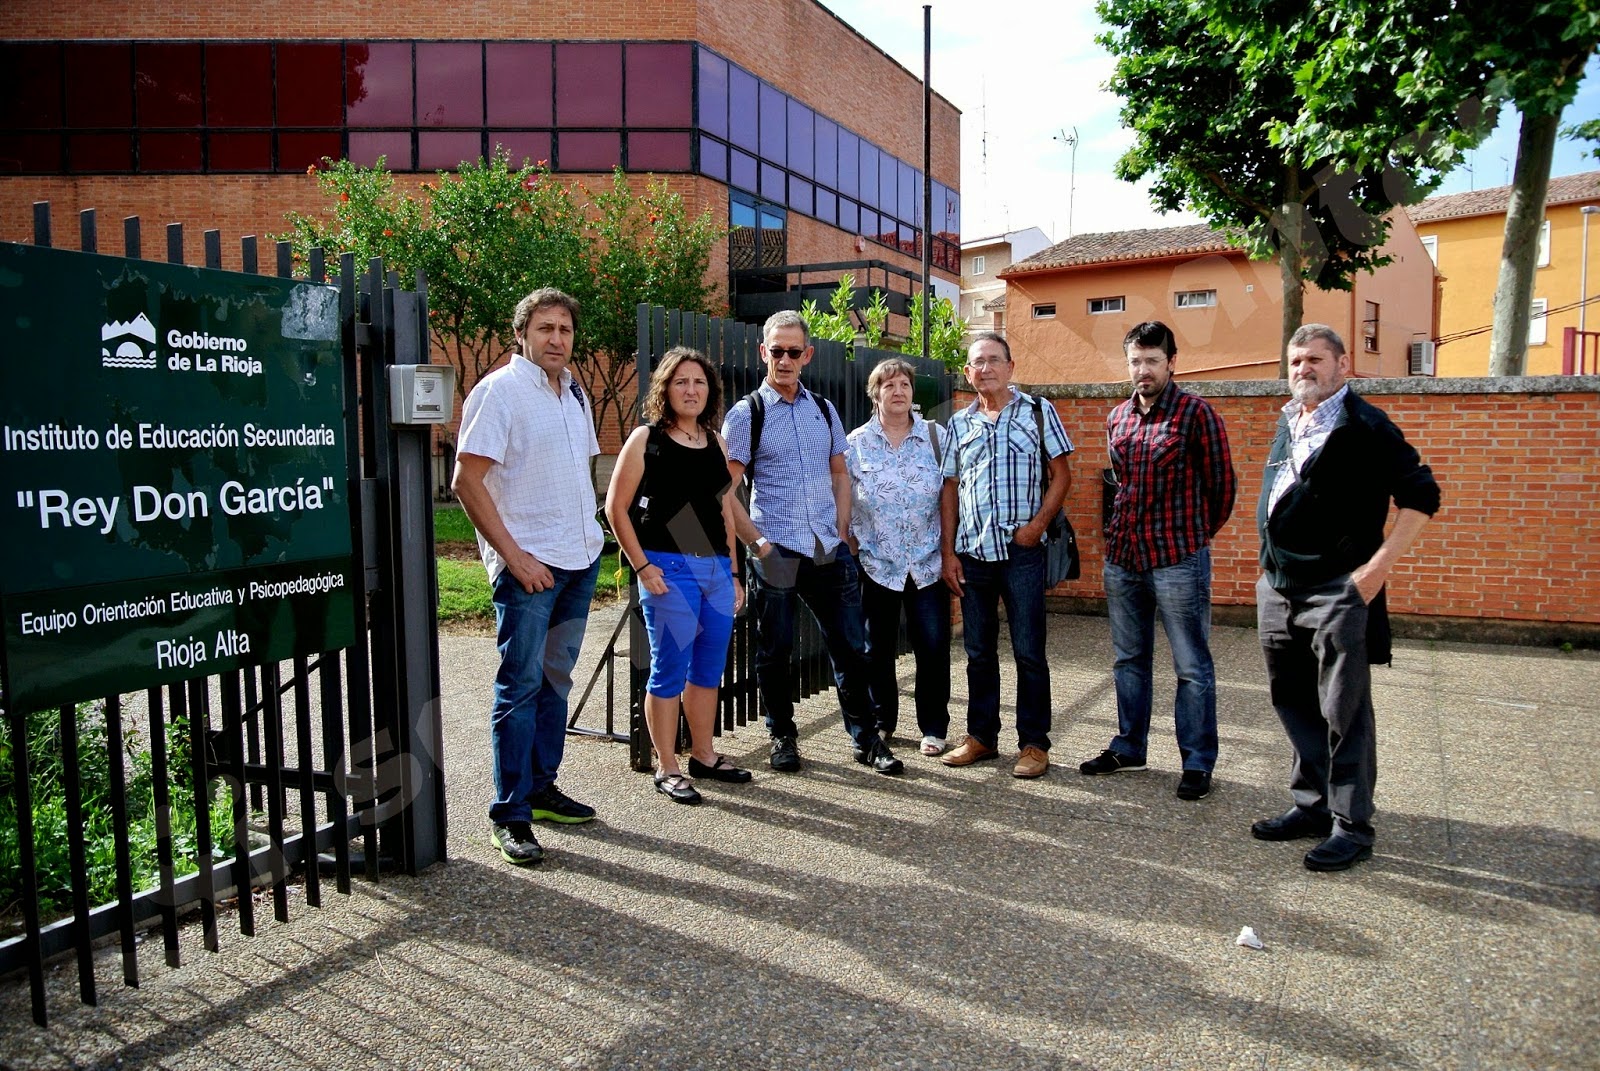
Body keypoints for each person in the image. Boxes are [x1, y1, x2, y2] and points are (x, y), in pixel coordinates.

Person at [1252, 324, 1439, 872]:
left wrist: (1375, 572)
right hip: (1280, 589)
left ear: (1343, 366)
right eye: (1294, 361)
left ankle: (1352, 825)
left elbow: (1422, 495)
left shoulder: (1365, 425)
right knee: (1293, 700)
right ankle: (1311, 805)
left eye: (1314, 359)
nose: (1302, 369)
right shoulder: (1291, 420)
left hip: (1337, 590)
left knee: (1344, 709)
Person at [453, 287, 602, 866]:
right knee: (518, 688)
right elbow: (467, 482)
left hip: (578, 559)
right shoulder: (498, 393)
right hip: (529, 568)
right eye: (545, 328)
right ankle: (509, 813)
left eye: (564, 329)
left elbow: (575, 473)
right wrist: (514, 557)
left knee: (555, 681)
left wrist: (589, 544)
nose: (557, 339)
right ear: (521, 334)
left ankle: (541, 789)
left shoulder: (576, 394)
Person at [722, 310, 903, 776]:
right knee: (775, 649)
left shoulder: (823, 409)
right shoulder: (747, 413)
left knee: (849, 648)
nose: (784, 360)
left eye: (793, 351)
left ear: (808, 355)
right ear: (763, 352)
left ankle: (866, 740)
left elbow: (840, 473)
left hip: (827, 547)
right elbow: (725, 492)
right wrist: (758, 544)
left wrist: (842, 531)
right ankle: (782, 736)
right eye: (776, 351)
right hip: (777, 550)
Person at [1079, 321, 1237, 801]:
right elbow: (1121, 482)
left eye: (1152, 360)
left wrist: (1192, 539)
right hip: (1125, 557)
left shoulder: (1197, 414)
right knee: (1129, 660)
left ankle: (1196, 761)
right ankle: (1130, 747)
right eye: (1134, 361)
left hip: (1177, 560)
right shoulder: (1118, 418)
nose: (1142, 370)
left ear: (1172, 361)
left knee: (1191, 665)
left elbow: (1222, 488)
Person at [605, 346, 751, 805]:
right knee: (669, 671)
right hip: (668, 570)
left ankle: (703, 755)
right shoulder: (646, 439)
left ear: (710, 392)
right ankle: (667, 767)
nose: (691, 390)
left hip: (713, 571)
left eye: (699, 383)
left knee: (708, 671)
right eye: (681, 382)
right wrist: (642, 567)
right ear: (665, 389)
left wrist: (732, 571)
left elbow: (724, 511)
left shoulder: (716, 443)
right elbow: (616, 509)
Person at [940, 332, 1074, 778]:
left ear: (1011, 367)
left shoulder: (1038, 412)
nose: (986, 369)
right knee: (978, 652)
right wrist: (948, 552)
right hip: (973, 553)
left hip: (1021, 553)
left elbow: (1062, 475)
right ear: (967, 373)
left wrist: (1035, 528)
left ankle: (1034, 745)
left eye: (994, 360)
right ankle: (981, 737)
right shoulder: (959, 424)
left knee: (1029, 651)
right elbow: (950, 490)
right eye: (977, 362)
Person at [845, 358, 952, 757]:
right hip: (878, 563)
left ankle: (934, 727)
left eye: (905, 384)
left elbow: (949, 493)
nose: (899, 391)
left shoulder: (934, 436)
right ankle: (881, 721)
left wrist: (948, 548)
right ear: (876, 394)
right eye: (889, 385)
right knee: (877, 650)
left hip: (927, 562)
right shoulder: (855, 443)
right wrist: (852, 543)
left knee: (933, 646)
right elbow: (844, 494)